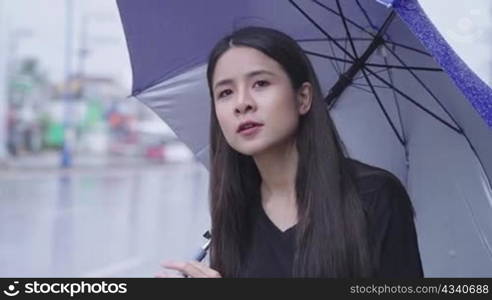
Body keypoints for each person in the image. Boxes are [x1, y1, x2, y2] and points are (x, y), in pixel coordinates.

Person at [156, 26, 424, 278]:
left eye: (260, 84)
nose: (242, 104)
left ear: (303, 98)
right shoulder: (235, 214)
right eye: (225, 92)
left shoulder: (373, 196)